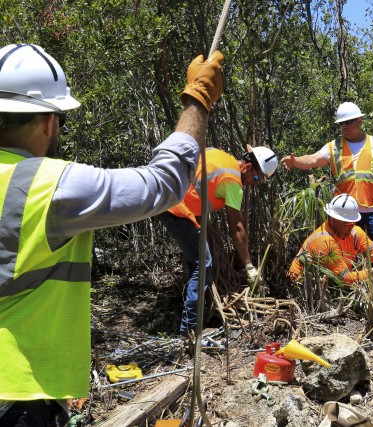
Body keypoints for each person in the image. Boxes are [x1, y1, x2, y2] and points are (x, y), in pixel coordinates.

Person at [0, 43, 223, 425]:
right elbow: (163, 183)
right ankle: (190, 327)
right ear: (49, 121)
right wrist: (197, 100)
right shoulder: (46, 185)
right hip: (18, 396)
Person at [281, 102, 373, 301]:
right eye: (341, 124)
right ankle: (354, 294)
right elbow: (313, 160)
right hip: (342, 214)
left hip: (372, 210)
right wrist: (295, 162)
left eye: (349, 122)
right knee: (345, 254)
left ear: (360, 121)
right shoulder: (334, 147)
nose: (344, 127)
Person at [158, 144, 278, 335]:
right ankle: (189, 330)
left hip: (166, 197)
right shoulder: (233, 182)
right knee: (203, 265)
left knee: (198, 264)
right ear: (247, 167)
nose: (254, 183)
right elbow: (236, 228)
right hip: (178, 211)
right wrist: (248, 265)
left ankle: (191, 320)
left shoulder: (219, 154)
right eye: (256, 178)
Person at [288, 194, 373, 288]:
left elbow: (371, 249)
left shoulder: (354, 232)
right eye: (347, 224)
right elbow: (344, 280)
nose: (350, 228)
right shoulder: (324, 241)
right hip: (301, 288)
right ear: (333, 219)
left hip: (325, 285)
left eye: (353, 223)